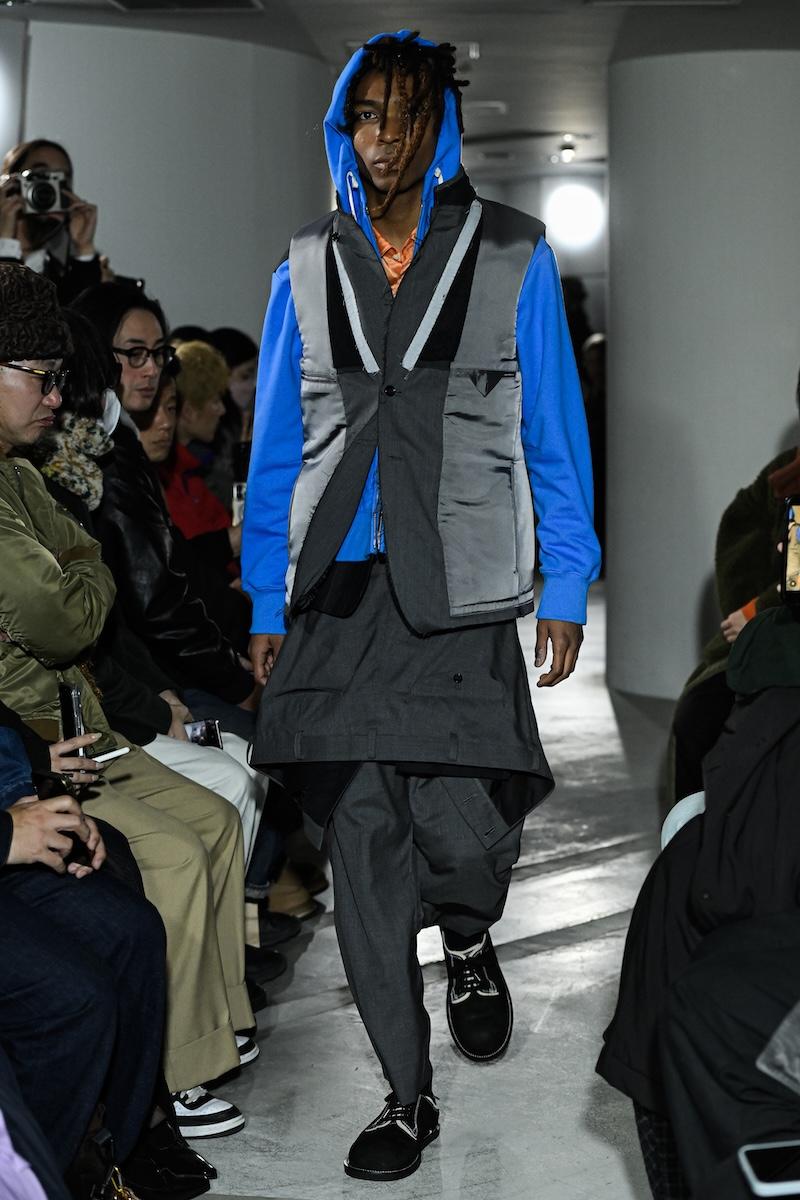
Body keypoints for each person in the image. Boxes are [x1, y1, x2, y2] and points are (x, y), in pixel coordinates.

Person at [243, 30, 600, 1180]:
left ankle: (469, 929)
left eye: (404, 114)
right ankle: (406, 1096)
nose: (384, 137)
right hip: (337, 594)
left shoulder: (510, 252)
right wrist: (263, 598)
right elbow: (275, 449)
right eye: (366, 115)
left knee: (464, 832)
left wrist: (567, 575)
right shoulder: (303, 265)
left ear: (440, 123)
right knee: (360, 841)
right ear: (342, 127)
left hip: (460, 586)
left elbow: (550, 427)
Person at [0, 262, 254, 1138]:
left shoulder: (22, 473)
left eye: (59, 378)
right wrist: (83, 565)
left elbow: (88, 578)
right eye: (41, 376)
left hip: (74, 721)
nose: (57, 395)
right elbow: (67, 616)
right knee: (180, 848)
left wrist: (80, 566)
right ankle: (173, 1078)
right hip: (41, 732)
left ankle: (210, 1036)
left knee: (216, 816)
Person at [71, 283, 260, 740]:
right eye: (134, 353)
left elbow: (172, 570)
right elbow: (153, 601)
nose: (151, 369)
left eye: (158, 353)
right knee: (257, 755)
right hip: (143, 682)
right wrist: (236, 681)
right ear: (96, 352)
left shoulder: (120, 442)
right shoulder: (106, 450)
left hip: (157, 672)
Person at [0, 140, 102, 304]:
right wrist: (6, 242)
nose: (51, 187)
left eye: (61, 179)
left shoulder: (58, 275)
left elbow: (82, 315)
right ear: (12, 183)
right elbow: (10, 312)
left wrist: (84, 250)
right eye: (41, 175)